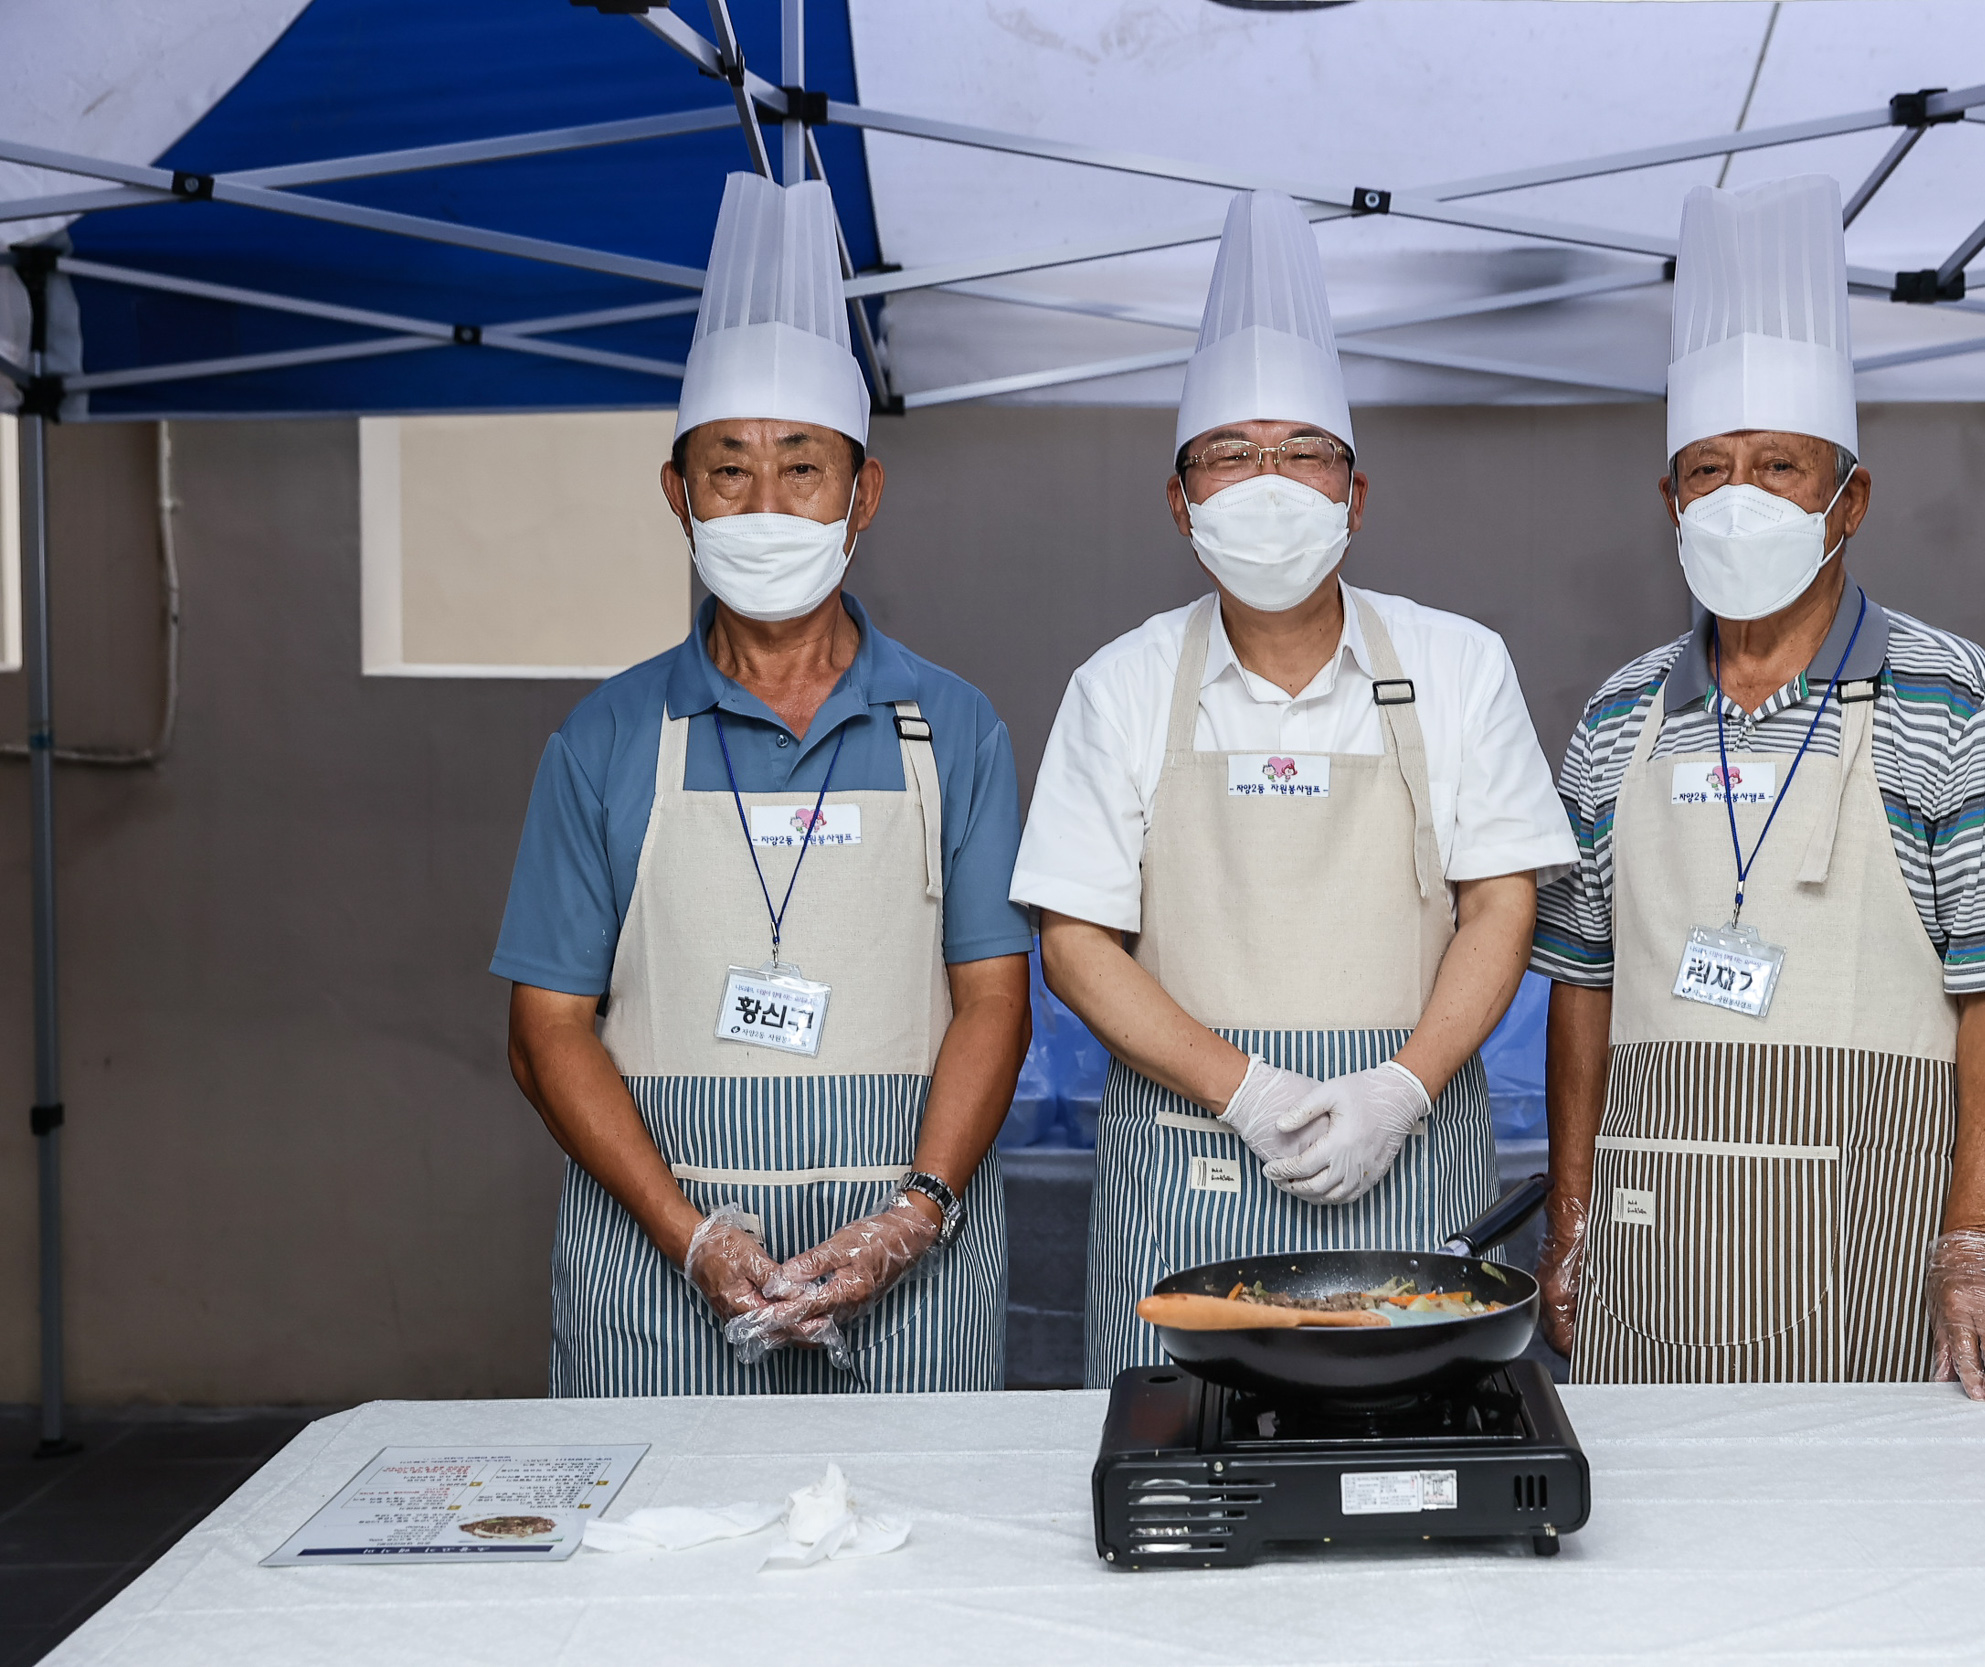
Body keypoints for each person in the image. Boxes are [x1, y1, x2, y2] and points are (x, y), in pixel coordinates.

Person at [1011, 189, 1578, 1387]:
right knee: (1182, 1442)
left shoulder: (1457, 661)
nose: (1268, 481)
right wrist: (1249, 1089)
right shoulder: (1119, 684)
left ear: (1354, 494)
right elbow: (1073, 940)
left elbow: (1502, 905)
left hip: (1411, 1143)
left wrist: (1402, 1086)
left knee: (1418, 1464)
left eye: (1303, 453)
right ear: (1181, 499)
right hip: (1188, 1159)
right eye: (1230, 455)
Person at [1533, 175, 1985, 1402]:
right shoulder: (1621, 711)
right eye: (1709, 469)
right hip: (1650, 1239)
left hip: (1871, 1253)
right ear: (1669, 504)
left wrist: (1981, 1252)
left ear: (1850, 501)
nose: (1740, 495)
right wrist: (1568, 1219)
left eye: (1779, 466)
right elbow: (1580, 985)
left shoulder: (1951, 692)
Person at [493, 174, 1031, 1395]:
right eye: (730, 469)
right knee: (660, 1569)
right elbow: (545, 1029)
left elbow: (995, 999)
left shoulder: (953, 725)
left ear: (863, 493)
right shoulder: (609, 732)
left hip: (915, 1262)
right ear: (679, 493)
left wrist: (917, 1211)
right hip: (655, 1262)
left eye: (803, 466)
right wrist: (689, 1232)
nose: (767, 502)